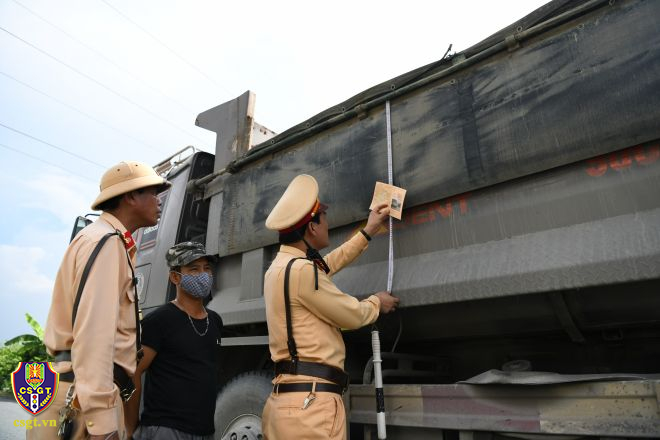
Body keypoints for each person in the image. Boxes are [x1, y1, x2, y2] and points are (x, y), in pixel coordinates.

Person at [31, 161, 170, 440]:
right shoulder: (107, 242)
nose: (159, 201)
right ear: (131, 197)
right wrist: (102, 422)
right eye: (153, 192)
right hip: (81, 400)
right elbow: (94, 334)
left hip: (74, 390)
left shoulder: (99, 238)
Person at [261, 174, 399, 440]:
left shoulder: (280, 268)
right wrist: (377, 302)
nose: (327, 224)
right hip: (312, 408)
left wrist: (368, 231)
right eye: (323, 218)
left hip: (287, 404)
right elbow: (351, 315)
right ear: (312, 228)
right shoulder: (302, 272)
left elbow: (326, 265)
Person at [126, 242, 222, 440]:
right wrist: (130, 426)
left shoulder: (215, 320)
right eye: (194, 269)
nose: (203, 275)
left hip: (205, 431)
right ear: (175, 277)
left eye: (206, 268)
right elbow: (133, 372)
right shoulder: (159, 321)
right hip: (165, 430)